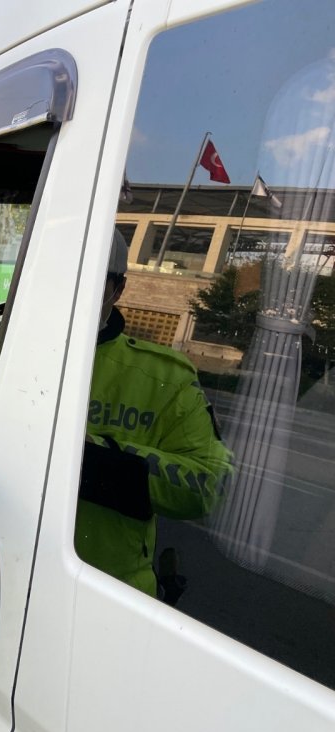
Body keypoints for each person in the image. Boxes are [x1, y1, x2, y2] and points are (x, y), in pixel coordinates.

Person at [75, 230, 232, 599]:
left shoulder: (167, 378)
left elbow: (210, 484)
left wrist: (85, 458)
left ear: (118, 290)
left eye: (91, 278)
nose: (73, 290)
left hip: (106, 594)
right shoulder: (2, 350)